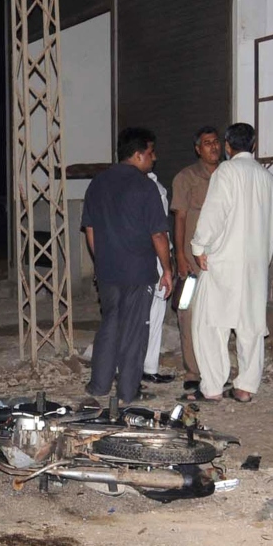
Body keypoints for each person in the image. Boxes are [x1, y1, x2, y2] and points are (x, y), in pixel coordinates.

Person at [188, 123, 273, 403]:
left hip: (224, 262)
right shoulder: (266, 178)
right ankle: (245, 387)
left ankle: (213, 387)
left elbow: (214, 213)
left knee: (210, 324)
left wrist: (198, 245)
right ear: (253, 145)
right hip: (254, 266)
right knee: (250, 326)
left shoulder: (225, 172)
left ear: (228, 146)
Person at [81, 127, 173, 403]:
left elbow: (90, 230)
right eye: (150, 152)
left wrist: (103, 260)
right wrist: (167, 269)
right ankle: (128, 391)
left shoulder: (97, 183)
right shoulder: (146, 186)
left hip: (108, 269)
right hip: (137, 270)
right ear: (137, 155)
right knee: (135, 329)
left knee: (110, 323)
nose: (153, 158)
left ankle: (98, 386)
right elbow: (158, 234)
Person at [169, 126, 222, 395]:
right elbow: (179, 218)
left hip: (222, 263)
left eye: (216, 142)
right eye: (207, 143)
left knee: (219, 315)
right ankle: (193, 370)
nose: (213, 147)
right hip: (191, 263)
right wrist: (179, 255)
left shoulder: (228, 176)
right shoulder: (186, 178)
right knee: (187, 312)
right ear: (198, 149)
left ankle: (217, 369)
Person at [141, 167, 173, 384]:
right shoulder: (150, 188)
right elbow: (158, 232)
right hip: (147, 258)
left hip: (148, 257)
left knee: (154, 312)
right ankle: (139, 367)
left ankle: (148, 366)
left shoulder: (155, 186)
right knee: (144, 314)